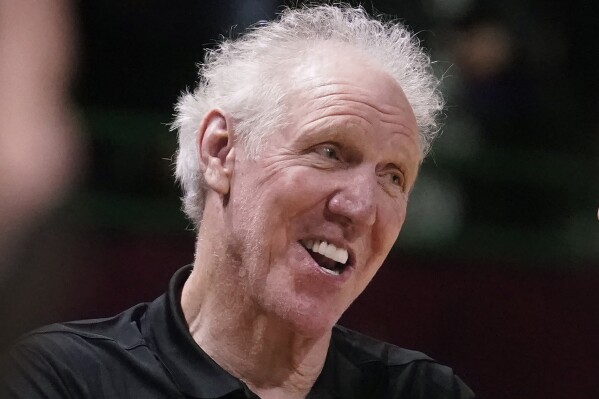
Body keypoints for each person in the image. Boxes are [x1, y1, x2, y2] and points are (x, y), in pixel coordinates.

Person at [0, 5, 474, 398]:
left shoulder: (425, 391)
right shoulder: (61, 380)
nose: (361, 207)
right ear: (220, 151)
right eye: (329, 152)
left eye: (393, 177)